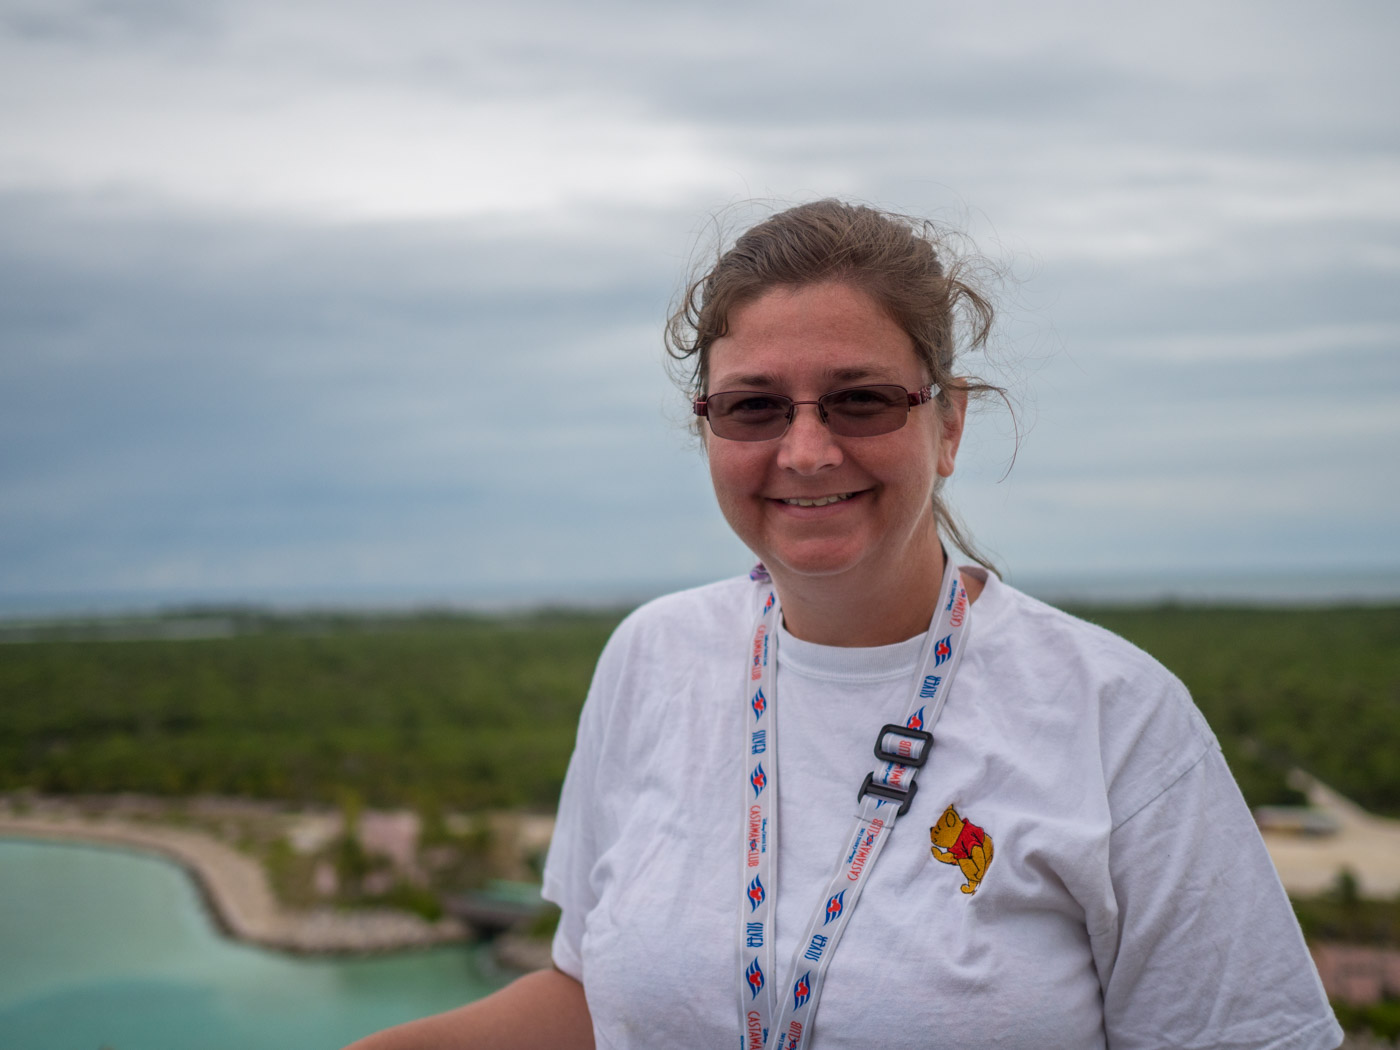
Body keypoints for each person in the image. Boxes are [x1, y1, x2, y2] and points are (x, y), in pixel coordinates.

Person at [347, 200, 1342, 1049]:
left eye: (860, 400)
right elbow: (589, 1000)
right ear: (708, 430)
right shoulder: (651, 658)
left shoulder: (1110, 713)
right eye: (753, 408)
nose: (808, 451)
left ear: (946, 425)